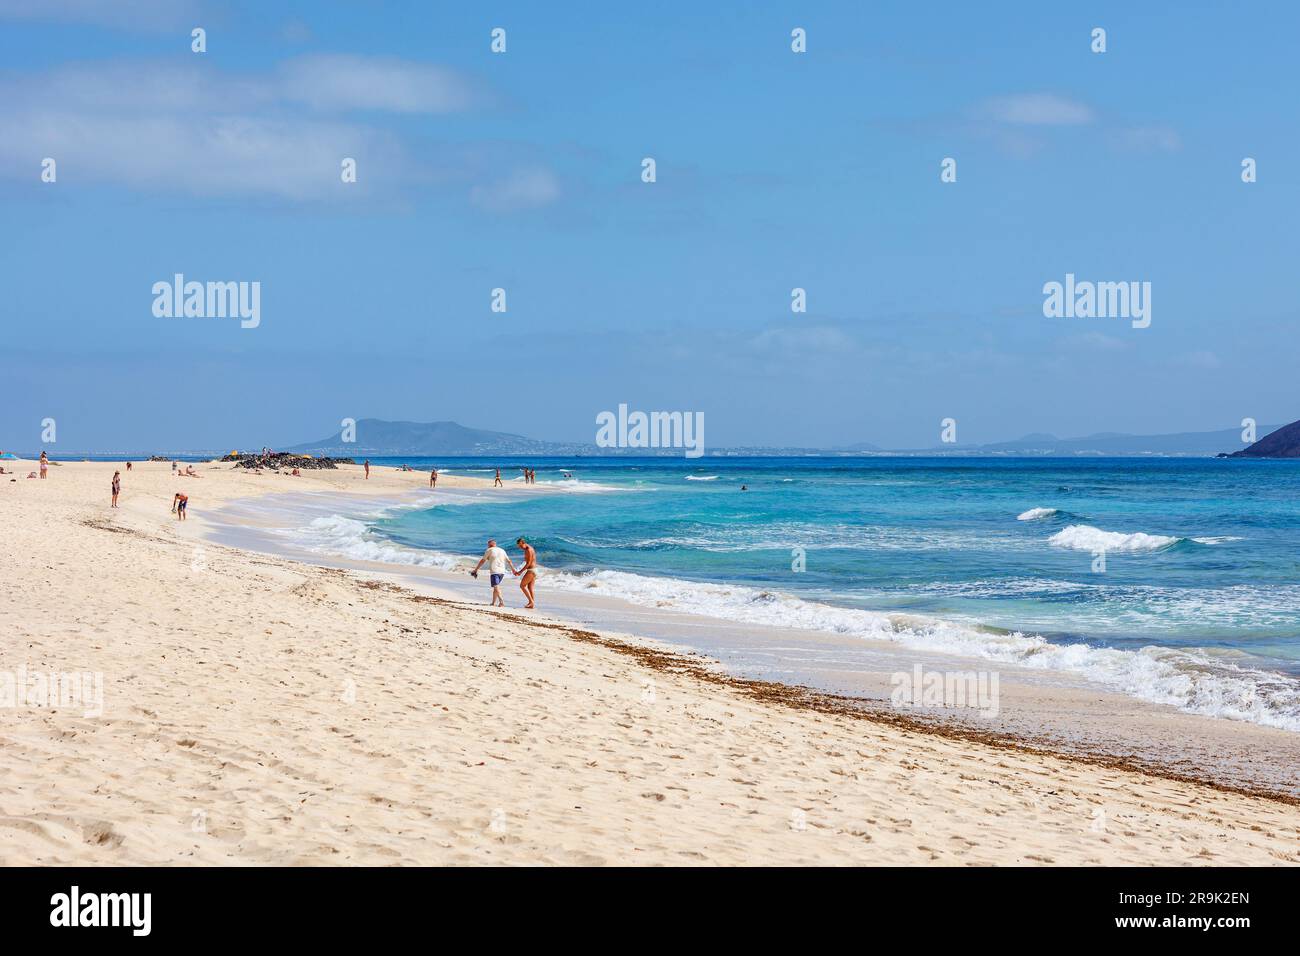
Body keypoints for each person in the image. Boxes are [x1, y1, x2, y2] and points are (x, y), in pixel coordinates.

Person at [470, 538, 518, 607]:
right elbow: (509, 561)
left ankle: (501, 602)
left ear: (489, 545)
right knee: (496, 586)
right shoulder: (502, 550)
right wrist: (513, 570)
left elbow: (483, 560)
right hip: (502, 571)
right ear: (495, 544)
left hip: (494, 571)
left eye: (488, 545)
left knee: (496, 586)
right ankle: (493, 602)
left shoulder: (489, 550)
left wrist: (476, 569)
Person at [515, 537, 539, 609]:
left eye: (520, 546)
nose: (520, 547)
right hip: (534, 570)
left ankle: (531, 601)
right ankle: (531, 604)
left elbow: (528, 563)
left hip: (531, 570)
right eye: (519, 546)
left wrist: (520, 572)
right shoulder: (527, 548)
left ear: (523, 543)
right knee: (530, 587)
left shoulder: (528, 550)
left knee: (522, 586)